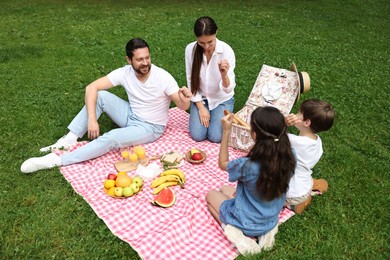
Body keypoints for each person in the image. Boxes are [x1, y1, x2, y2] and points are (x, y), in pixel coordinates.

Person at [21, 38, 192, 173]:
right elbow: (91, 88)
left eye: (147, 57)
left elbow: (181, 106)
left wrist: (185, 100)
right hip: (131, 115)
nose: (145, 63)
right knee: (100, 96)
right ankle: (69, 139)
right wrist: (92, 120)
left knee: (111, 138)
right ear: (129, 60)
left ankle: (58, 160)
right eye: (140, 59)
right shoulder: (125, 72)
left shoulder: (163, 77)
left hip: (150, 127)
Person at [206, 106, 296, 255]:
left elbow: (223, 163)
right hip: (270, 217)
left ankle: (236, 234)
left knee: (211, 195)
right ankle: (266, 232)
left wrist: (226, 132)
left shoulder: (248, 165)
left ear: (254, 134)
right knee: (225, 189)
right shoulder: (290, 155)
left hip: (246, 221)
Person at [185, 16, 236, 143]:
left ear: (216, 33)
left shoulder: (226, 51)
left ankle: (215, 114)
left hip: (222, 99)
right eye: (201, 43)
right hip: (201, 98)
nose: (206, 46)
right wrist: (200, 107)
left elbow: (228, 89)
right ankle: (204, 110)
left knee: (216, 137)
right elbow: (191, 80)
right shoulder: (190, 49)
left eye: (210, 42)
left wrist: (224, 75)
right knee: (197, 135)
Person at [284, 99, 335, 214]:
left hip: (291, 193)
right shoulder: (317, 140)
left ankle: (296, 204)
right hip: (304, 182)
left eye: (298, 113)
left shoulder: (294, 141)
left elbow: (273, 136)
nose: (295, 115)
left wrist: (284, 123)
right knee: (301, 172)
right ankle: (313, 186)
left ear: (306, 122)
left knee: (263, 195)